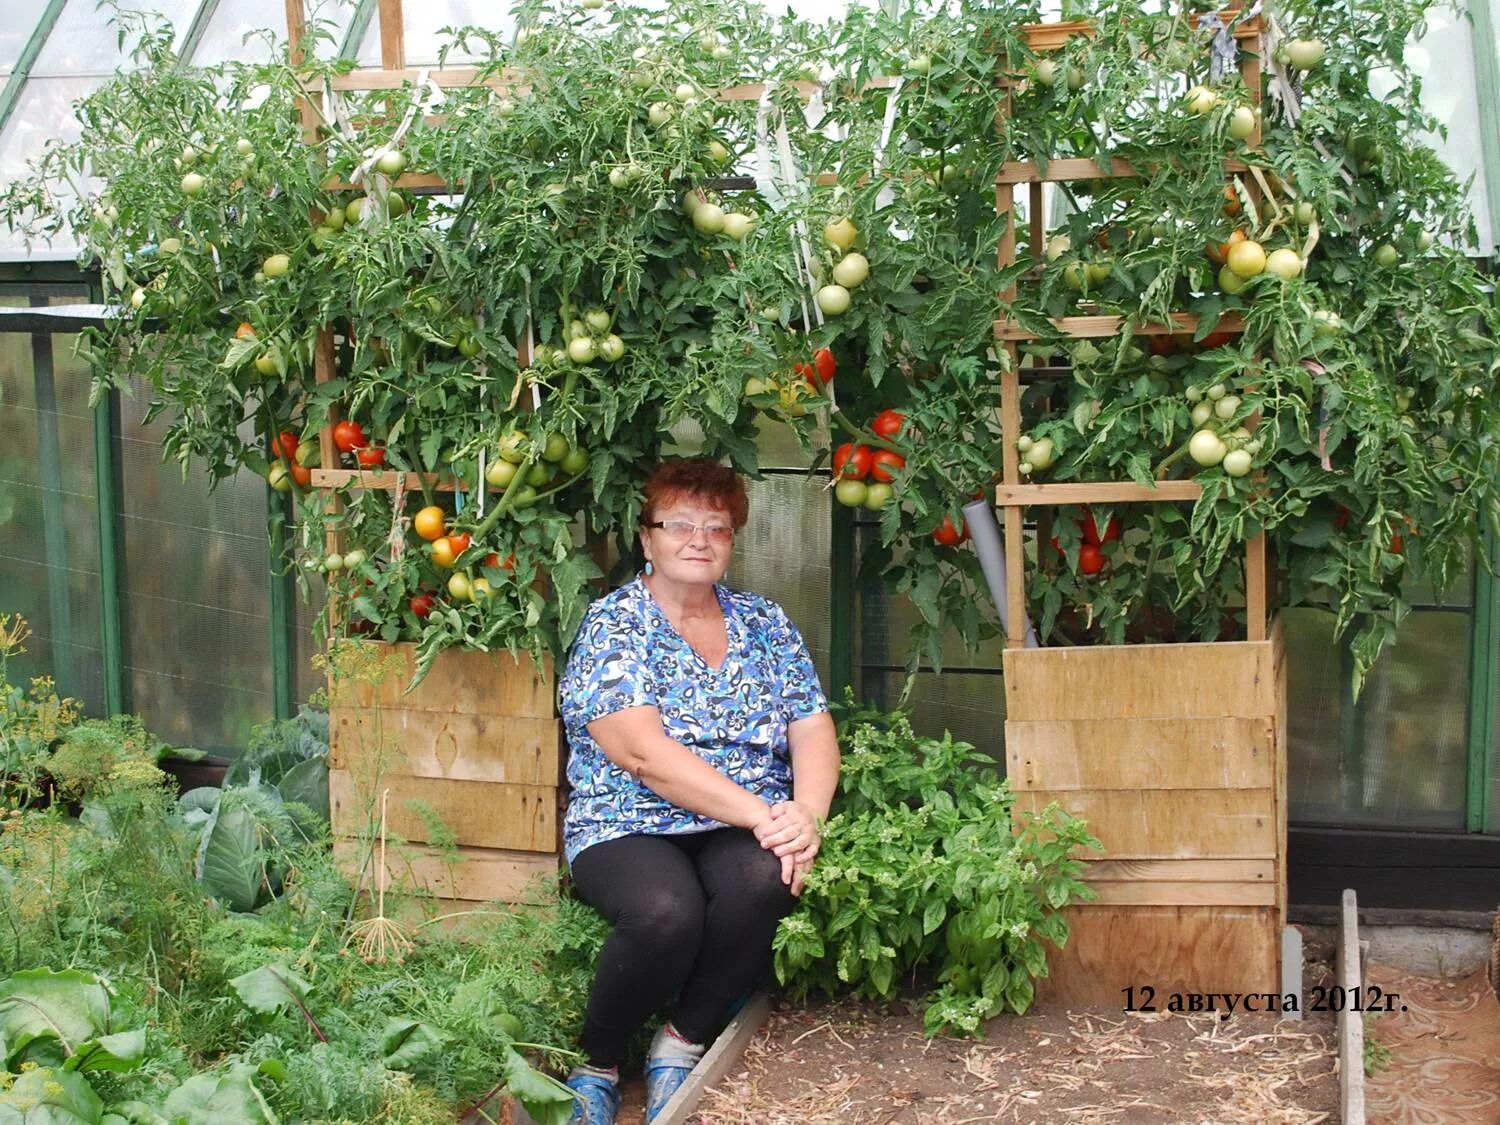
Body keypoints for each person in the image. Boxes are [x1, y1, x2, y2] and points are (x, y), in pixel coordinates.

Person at [557, 458, 841, 1125]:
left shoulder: (765, 623)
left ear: (732, 541)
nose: (699, 539)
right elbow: (644, 755)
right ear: (647, 537)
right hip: (628, 817)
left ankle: (681, 1040)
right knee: (664, 911)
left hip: (741, 819)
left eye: (717, 527)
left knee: (771, 875)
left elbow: (812, 727)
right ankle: (598, 1062)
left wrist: (806, 814)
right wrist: (764, 813)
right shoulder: (615, 626)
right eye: (679, 524)